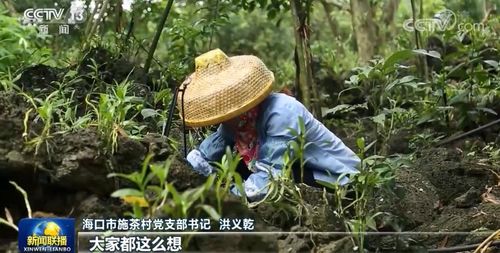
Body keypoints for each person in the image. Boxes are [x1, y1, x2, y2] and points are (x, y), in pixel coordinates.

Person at [180, 49, 360, 202]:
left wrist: (226, 198)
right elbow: (208, 154)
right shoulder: (235, 121)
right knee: (234, 167)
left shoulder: (281, 112)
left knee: (264, 182)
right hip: (293, 170)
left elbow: (270, 176)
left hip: (338, 179)